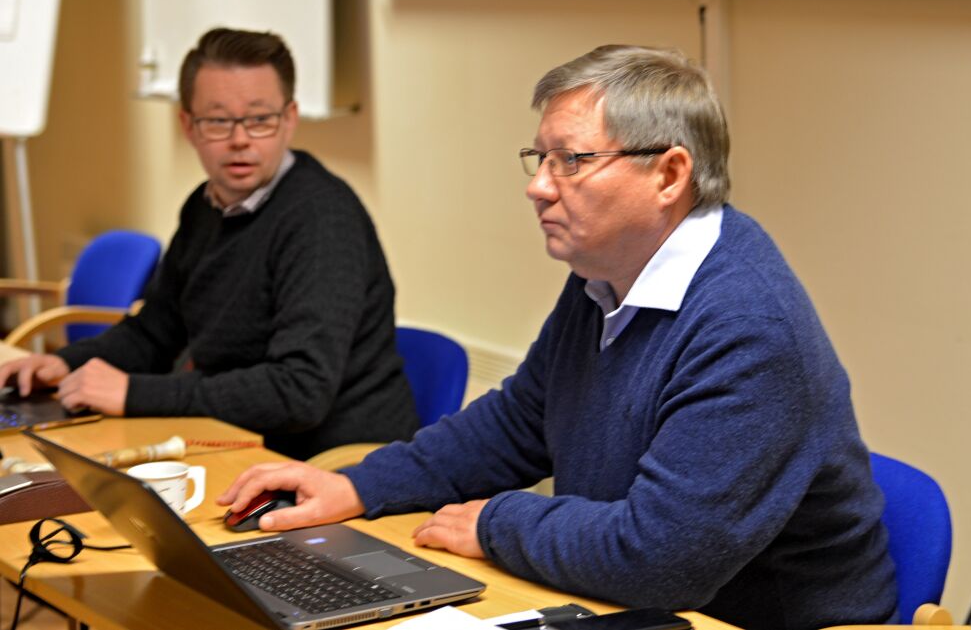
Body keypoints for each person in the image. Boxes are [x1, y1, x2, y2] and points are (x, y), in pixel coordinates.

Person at [218, 45, 898, 630]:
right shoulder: (606, 272)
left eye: (570, 161)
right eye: (539, 159)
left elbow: (661, 558)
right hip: (638, 605)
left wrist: (497, 523)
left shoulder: (749, 326)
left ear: (669, 174)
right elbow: (518, 422)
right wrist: (358, 485)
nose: (539, 187)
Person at [0, 28, 417, 460]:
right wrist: (67, 363)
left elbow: (299, 392)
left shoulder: (321, 219)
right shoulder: (205, 207)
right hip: (237, 439)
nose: (240, 139)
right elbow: (155, 331)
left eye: (259, 119)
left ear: (289, 118)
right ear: (188, 125)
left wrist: (135, 393)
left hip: (331, 464)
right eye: (218, 121)